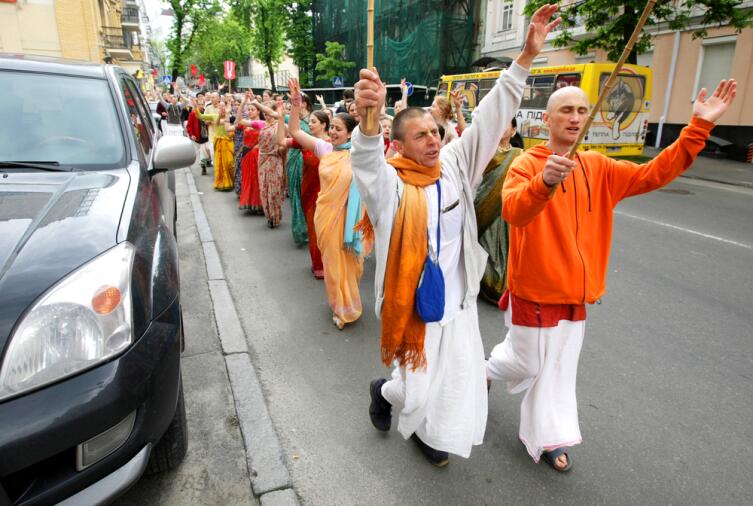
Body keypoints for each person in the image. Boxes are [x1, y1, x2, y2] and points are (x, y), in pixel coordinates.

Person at [486, 78, 737, 473]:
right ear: (546, 120)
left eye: (582, 110)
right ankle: (485, 371)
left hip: (575, 293)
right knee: (527, 363)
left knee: (557, 371)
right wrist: (545, 182)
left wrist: (698, 127)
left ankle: (548, 438)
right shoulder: (526, 164)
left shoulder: (599, 166)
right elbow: (514, 212)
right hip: (533, 290)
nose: (575, 117)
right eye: (566, 110)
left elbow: (655, 172)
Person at [351, 4, 561, 467]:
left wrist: (525, 57)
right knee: (414, 387)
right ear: (400, 144)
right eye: (420, 134)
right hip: (413, 309)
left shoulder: (456, 165)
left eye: (435, 131)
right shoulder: (390, 184)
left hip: (458, 303)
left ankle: (432, 436)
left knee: (453, 385)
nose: (431, 138)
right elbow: (365, 163)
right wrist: (369, 120)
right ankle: (383, 392)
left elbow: (489, 118)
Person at [286, 78, 371, 329]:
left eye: (337, 129)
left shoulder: (359, 154)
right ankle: (341, 307)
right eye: (331, 127)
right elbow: (294, 132)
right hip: (326, 216)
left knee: (353, 266)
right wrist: (294, 104)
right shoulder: (324, 148)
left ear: (349, 132)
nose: (332, 132)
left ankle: (350, 300)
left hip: (351, 220)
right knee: (333, 264)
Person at [278, 106, 331, 278]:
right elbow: (282, 141)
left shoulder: (334, 144)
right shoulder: (305, 141)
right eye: (309, 121)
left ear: (324, 125)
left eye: (313, 122)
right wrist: (280, 118)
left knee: (329, 231)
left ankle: (333, 263)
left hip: (330, 194)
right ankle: (318, 264)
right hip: (309, 192)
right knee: (314, 230)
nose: (310, 125)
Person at [474, 117, 521, 303]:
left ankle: (501, 285)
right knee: (486, 246)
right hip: (484, 206)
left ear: (513, 131)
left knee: (503, 249)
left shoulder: (520, 154)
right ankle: (485, 283)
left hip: (505, 211)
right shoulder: (486, 151)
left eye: (506, 124)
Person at [283, 93, 314, 246]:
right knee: (296, 194)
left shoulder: (313, 120)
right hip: (294, 157)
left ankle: (311, 228)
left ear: (306, 103)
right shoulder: (292, 119)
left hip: (308, 160)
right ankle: (300, 229)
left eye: (298, 102)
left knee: (308, 195)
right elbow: (276, 116)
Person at [256, 100, 284, 227]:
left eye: (268, 112)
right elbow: (239, 122)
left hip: (275, 159)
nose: (266, 115)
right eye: (264, 113)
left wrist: (280, 150)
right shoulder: (261, 125)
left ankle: (275, 215)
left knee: (274, 189)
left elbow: (287, 142)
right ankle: (268, 215)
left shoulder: (281, 125)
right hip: (262, 159)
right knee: (264, 189)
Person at [195, 101, 234, 191]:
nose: (222, 108)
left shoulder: (230, 117)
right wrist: (195, 107)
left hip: (228, 142)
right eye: (220, 107)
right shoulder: (214, 116)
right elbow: (201, 116)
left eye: (223, 106)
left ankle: (231, 181)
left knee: (229, 163)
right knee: (219, 163)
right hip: (218, 142)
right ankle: (222, 184)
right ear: (218, 108)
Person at [186, 95, 211, 175]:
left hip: (207, 136)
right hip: (197, 137)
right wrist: (191, 134)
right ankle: (203, 167)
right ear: (196, 104)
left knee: (207, 150)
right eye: (199, 104)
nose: (200, 106)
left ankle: (208, 160)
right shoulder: (193, 113)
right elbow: (189, 126)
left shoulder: (207, 112)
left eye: (202, 104)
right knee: (201, 152)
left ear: (204, 105)